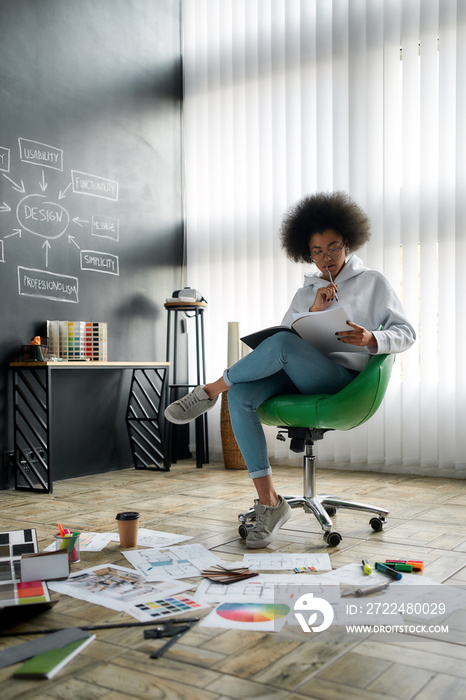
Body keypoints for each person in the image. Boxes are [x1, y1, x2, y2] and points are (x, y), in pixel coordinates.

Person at [164, 192, 416, 548]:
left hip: (343, 382)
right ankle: (270, 503)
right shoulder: (307, 289)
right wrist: (312, 310)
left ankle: (210, 389)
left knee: (277, 350)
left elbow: (407, 333)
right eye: (317, 251)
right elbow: (284, 339)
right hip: (300, 372)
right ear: (306, 252)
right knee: (242, 395)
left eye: (333, 247)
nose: (326, 258)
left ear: (349, 242)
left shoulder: (373, 282)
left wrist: (370, 337)